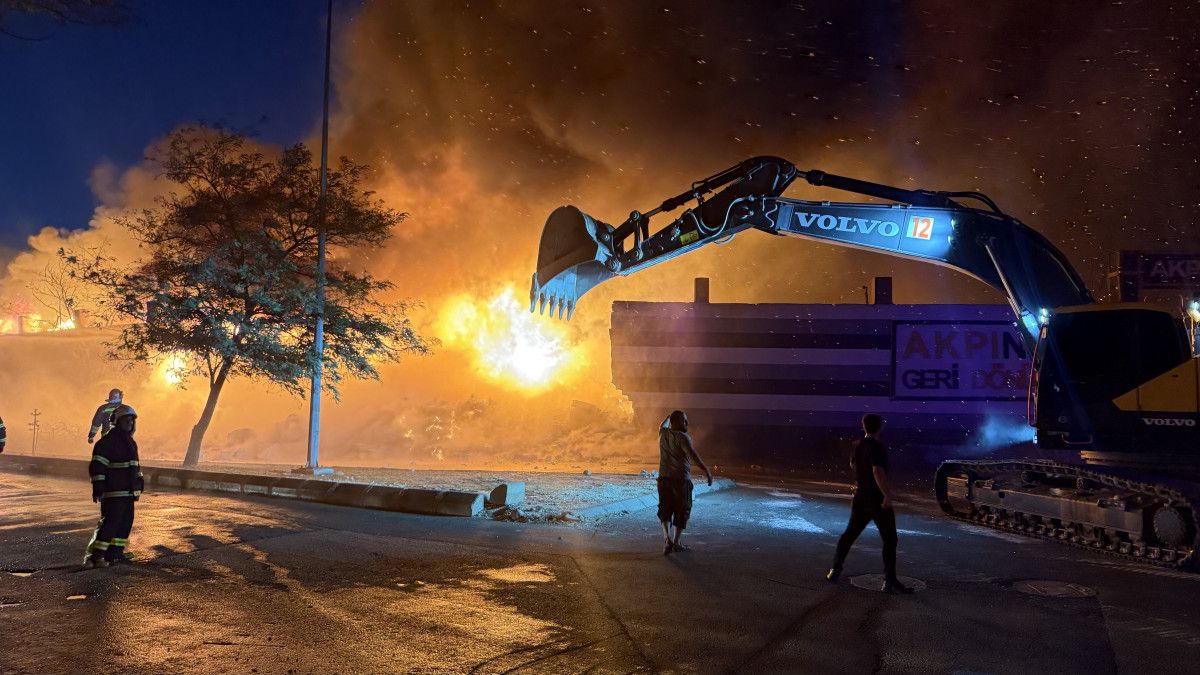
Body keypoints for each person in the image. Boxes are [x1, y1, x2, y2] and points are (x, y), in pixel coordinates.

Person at [826, 413, 913, 594]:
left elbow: (853, 465)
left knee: (849, 534)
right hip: (876, 499)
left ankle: (835, 569)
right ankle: (889, 581)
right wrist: (886, 495)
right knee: (890, 539)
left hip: (861, 497)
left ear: (863, 426)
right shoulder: (878, 447)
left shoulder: (857, 446)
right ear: (880, 427)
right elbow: (877, 471)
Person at [84, 404, 143, 568]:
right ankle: (97, 556)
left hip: (128, 492)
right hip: (113, 492)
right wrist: (98, 487)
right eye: (126, 420)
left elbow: (134, 468)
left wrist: (138, 486)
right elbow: (97, 466)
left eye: (132, 420)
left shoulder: (130, 442)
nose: (130, 423)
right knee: (112, 523)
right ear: (117, 421)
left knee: (125, 522)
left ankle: (115, 553)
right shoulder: (107, 442)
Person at [658, 410, 712, 555]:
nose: (687, 423)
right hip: (680, 480)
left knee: (665, 510)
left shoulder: (663, 434)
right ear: (676, 423)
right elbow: (693, 457)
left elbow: (661, 425)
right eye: (684, 420)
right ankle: (676, 543)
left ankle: (666, 538)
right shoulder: (683, 437)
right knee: (682, 511)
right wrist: (706, 470)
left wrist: (668, 417)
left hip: (663, 479)